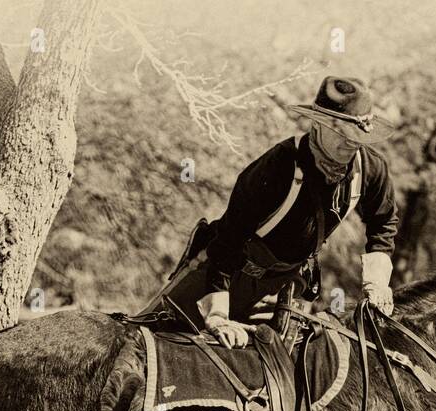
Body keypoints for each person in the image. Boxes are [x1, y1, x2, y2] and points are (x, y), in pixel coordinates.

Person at [142, 76, 399, 347]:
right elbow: (228, 240)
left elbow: (383, 221)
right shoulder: (278, 165)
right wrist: (218, 315)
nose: (350, 142)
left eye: (358, 134)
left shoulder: (371, 169)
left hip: (287, 288)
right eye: (341, 131)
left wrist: (376, 283)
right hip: (225, 275)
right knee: (158, 343)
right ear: (317, 124)